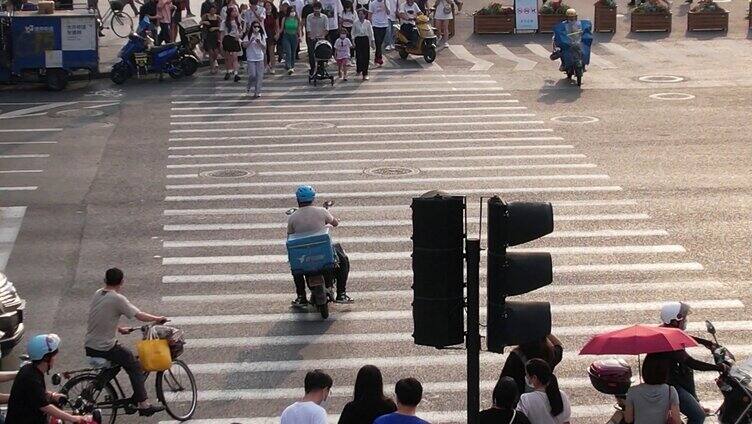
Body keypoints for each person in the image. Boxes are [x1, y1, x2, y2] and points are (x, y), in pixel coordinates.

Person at [84, 268, 167, 417]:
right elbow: (139, 315)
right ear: (122, 281)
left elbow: (99, 317)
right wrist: (157, 318)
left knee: (116, 365)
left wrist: (118, 328)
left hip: (90, 344)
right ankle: (144, 404)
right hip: (105, 346)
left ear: (105, 280)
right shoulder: (117, 299)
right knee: (134, 364)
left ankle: (91, 388)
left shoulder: (98, 293)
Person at [652, 301, 726, 424]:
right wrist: (718, 367)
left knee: (686, 371)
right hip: (668, 386)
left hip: (672, 378)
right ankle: (695, 408)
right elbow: (692, 362)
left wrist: (707, 343)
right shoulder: (669, 339)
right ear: (676, 320)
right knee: (698, 416)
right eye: (684, 317)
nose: (686, 320)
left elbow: (684, 336)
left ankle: (695, 402)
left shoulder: (666, 330)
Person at [288, 185, 352, 305]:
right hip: (323, 252)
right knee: (343, 261)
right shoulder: (322, 211)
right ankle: (341, 294)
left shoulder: (293, 217)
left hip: (304, 255)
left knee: (296, 269)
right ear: (313, 199)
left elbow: (290, 236)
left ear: (298, 200)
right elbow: (335, 223)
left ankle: (301, 296)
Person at [5, 335, 92, 424]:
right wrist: (74, 418)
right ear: (46, 358)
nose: (55, 359)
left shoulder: (31, 370)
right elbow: (46, 407)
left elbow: (35, 394)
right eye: (53, 356)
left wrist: (52, 395)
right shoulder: (31, 378)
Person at [624, 354, 681, 424]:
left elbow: (628, 419)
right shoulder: (670, 391)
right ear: (664, 371)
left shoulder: (633, 391)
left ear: (645, 369)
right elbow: (677, 420)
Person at [516, 359, 571, 424]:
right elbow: (566, 422)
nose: (526, 377)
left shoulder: (526, 399)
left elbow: (519, 420)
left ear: (534, 378)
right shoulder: (562, 395)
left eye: (527, 375)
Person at [242, 21, 267, 98]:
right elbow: (244, 45)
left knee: (259, 76)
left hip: (260, 57)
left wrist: (260, 43)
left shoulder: (262, 35)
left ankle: (257, 91)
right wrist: (250, 42)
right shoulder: (248, 35)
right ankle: (248, 86)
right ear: (252, 27)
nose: (257, 28)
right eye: (255, 26)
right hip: (251, 58)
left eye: (258, 27)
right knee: (252, 75)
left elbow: (264, 48)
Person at [305, 2, 329, 76]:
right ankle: (312, 68)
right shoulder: (309, 17)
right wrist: (310, 36)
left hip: (321, 38)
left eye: (318, 9)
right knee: (311, 54)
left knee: (321, 54)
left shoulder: (324, 17)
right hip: (312, 38)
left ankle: (321, 69)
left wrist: (322, 36)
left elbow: (327, 29)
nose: (316, 11)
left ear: (320, 9)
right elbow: (308, 28)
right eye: (315, 9)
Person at [351, 8, 374, 81]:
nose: (360, 15)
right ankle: (359, 69)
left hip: (365, 39)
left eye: (362, 14)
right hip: (358, 39)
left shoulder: (368, 22)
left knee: (366, 57)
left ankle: (365, 73)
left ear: (365, 15)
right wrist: (353, 41)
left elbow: (371, 33)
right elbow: (353, 33)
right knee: (359, 56)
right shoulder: (355, 22)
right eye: (359, 14)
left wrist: (372, 42)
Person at [222, 6, 243, 81]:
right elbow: (222, 33)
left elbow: (241, 31)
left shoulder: (237, 21)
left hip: (235, 39)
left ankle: (236, 73)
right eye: (233, 11)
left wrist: (239, 36)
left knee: (235, 57)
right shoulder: (224, 22)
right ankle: (228, 71)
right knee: (228, 58)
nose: (235, 13)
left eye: (236, 11)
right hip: (228, 39)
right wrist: (221, 43)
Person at [279, 5, 301, 74]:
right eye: (291, 11)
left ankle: (292, 66)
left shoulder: (297, 19)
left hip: (294, 37)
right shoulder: (284, 19)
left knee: (293, 52)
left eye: (293, 11)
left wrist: (299, 36)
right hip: (286, 36)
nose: (292, 12)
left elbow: (298, 29)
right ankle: (288, 66)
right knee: (288, 52)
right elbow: (282, 29)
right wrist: (277, 34)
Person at [368, 0, 389, 66]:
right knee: (378, 41)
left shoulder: (387, 2)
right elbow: (370, 14)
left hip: (384, 24)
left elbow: (388, 12)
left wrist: (385, 4)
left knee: (380, 42)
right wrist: (370, 25)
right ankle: (379, 58)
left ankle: (377, 58)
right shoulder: (373, 3)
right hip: (375, 24)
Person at [202, 4, 221, 73]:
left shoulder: (218, 17)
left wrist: (215, 28)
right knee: (211, 52)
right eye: (211, 10)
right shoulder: (205, 16)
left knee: (216, 53)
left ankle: (215, 61)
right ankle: (212, 67)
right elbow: (200, 23)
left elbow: (221, 27)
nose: (212, 11)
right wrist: (204, 22)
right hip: (208, 35)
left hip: (215, 35)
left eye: (214, 10)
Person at [262, 1, 278, 74]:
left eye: (269, 5)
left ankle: (273, 67)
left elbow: (277, 26)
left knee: (271, 52)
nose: (267, 7)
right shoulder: (263, 14)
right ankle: (266, 66)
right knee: (264, 52)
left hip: (272, 34)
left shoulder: (274, 15)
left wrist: (277, 34)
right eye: (266, 5)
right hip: (264, 34)